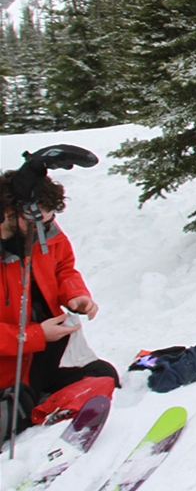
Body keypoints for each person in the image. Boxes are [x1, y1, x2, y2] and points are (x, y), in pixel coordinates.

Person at [1, 171, 119, 442]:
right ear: (8, 212)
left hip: (42, 351)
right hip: (9, 361)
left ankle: (38, 403)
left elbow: (63, 268)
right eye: (35, 221)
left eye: (49, 218)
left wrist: (76, 296)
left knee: (103, 376)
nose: (43, 228)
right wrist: (35, 335)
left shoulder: (45, 230)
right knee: (17, 407)